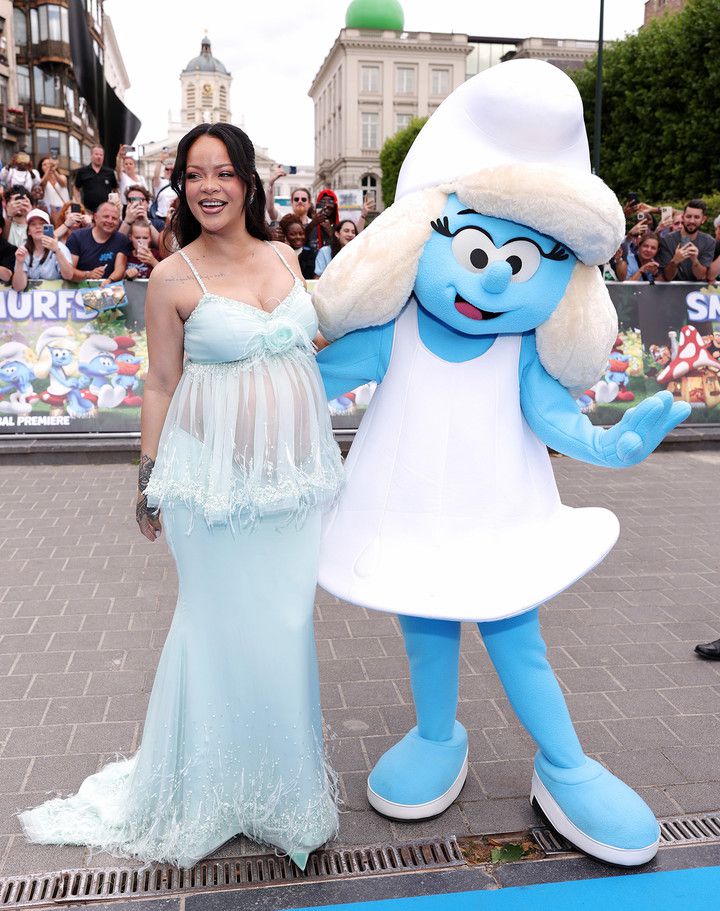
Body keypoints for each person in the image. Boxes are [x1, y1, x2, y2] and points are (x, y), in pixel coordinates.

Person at [18, 121, 344, 870]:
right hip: (209, 490)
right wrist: (147, 479)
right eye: (195, 175)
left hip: (290, 488)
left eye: (223, 172)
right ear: (180, 187)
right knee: (214, 630)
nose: (209, 187)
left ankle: (279, 793)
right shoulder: (172, 276)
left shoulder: (286, 256)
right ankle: (206, 791)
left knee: (286, 628)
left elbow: (311, 345)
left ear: (248, 182)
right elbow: (161, 382)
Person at [66, 201, 131, 281]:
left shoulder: (121, 239)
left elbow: (120, 268)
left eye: (114, 218)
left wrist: (109, 280)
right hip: (80, 286)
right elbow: (68, 271)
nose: (110, 221)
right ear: (96, 217)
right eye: (106, 217)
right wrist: (88, 274)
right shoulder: (77, 237)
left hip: (110, 287)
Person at [11, 208, 74, 289]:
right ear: (29, 231)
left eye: (42, 224)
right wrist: (19, 263)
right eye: (33, 224)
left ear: (50, 228)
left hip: (57, 295)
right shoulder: (23, 249)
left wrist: (57, 251)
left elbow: (69, 276)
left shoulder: (59, 247)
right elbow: (18, 287)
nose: (38, 227)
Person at [657, 199, 715, 281]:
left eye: (696, 217)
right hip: (672, 288)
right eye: (688, 216)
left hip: (697, 289)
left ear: (703, 219)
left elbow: (701, 276)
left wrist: (695, 260)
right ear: (683, 217)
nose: (692, 221)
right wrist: (675, 261)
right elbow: (667, 277)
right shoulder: (667, 240)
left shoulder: (709, 242)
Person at [72, 145, 118, 213]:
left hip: (106, 212)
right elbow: (76, 188)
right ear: (91, 155)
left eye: (101, 155)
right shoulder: (82, 171)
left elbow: (115, 189)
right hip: (88, 211)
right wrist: (79, 204)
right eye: (96, 154)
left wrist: (113, 203)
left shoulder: (110, 172)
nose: (99, 157)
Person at [279, 213, 315, 279]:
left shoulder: (309, 253)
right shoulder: (279, 253)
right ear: (285, 235)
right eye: (292, 234)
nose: (298, 237)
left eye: (301, 233)